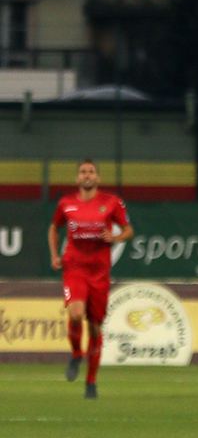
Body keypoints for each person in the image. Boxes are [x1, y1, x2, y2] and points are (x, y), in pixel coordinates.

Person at [47, 159, 134, 399]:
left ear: (97, 178)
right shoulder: (66, 203)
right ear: (77, 178)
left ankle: (91, 382)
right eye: (83, 172)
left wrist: (115, 238)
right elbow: (54, 227)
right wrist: (54, 255)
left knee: (95, 329)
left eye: (91, 172)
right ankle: (77, 354)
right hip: (75, 267)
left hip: (99, 272)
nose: (87, 175)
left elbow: (128, 230)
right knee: (75, 314)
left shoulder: (112, 202)